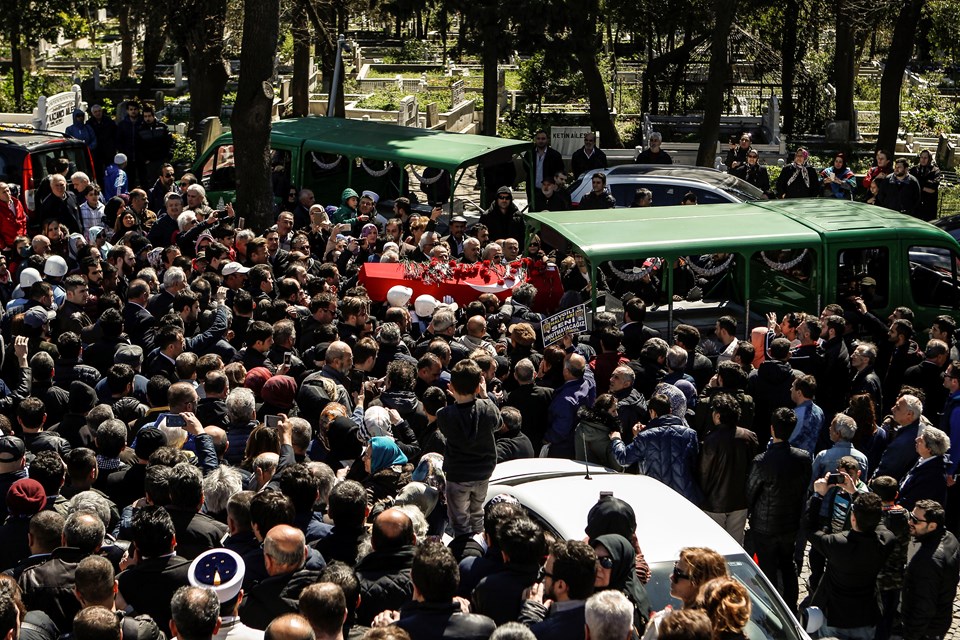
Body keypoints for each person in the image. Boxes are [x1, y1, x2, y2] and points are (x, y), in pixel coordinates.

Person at [745, 407, 811, 614]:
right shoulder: (803, 458)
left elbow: (750, 493)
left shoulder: (762, 461)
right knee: (788, 566)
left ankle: (771, 611)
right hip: (790, 523)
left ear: (772, 429)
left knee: (768, 570)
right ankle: (790, 607)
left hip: (764, 526)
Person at [805, 486, 894, 639]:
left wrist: (818, 496)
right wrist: (857, 493)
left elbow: (809, 528)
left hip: (834, 616)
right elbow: (877, 522)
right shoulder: (887, 541)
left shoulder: (837, 543)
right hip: (865, 615)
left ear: (853, 518)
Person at [373, 540, 496, 640]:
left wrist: (384, 632)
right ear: (456, 580)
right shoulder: (485, 628)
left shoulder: (398, 632)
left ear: (415, 584)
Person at [437, 359, 500, 538]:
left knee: (459, 518)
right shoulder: (487, 408)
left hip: (458, 476)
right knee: (477, 512)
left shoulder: (445, 415)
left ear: (451, 386)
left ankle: (463, 548)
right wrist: (485, 397)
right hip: (483, 473)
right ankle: (478, 541)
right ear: (478, 387)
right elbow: (498, 423)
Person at [697, 393, 758, 544]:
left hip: (714, 502)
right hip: (740, 500)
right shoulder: (749, 437)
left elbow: (704, 473)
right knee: (736, 545)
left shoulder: (710, 440)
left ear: (717, 416)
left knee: (714, 546)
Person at [901, 499, 960, 640]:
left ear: (932, 526)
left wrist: (911, 635)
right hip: (940, 619)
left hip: (927, 630)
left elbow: (924, 606)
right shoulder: (950, 538)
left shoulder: (927, 561)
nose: (910, 522)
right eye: (910, 516)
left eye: (915, 520)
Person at [518, 540, 596, 640]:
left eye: (545, 573)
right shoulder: (599, 617)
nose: (541, 578)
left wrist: (529, 617)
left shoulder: (545, 631)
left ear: (560, 586)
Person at [590, 535, 651, 631]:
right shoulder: (584, 596)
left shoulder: (622, 606)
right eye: (594, 560)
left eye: (606, 562)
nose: (598, 567)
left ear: (621, 565)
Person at [910, 149, 941, 221]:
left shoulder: (935, 171)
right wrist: (925, 185)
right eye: (921, 157)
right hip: (915, 205)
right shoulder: (914, 170)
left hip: (929, 206)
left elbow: (932, 188)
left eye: (925, 158)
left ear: (929, 159)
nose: (923, 160)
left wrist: (918, 185)